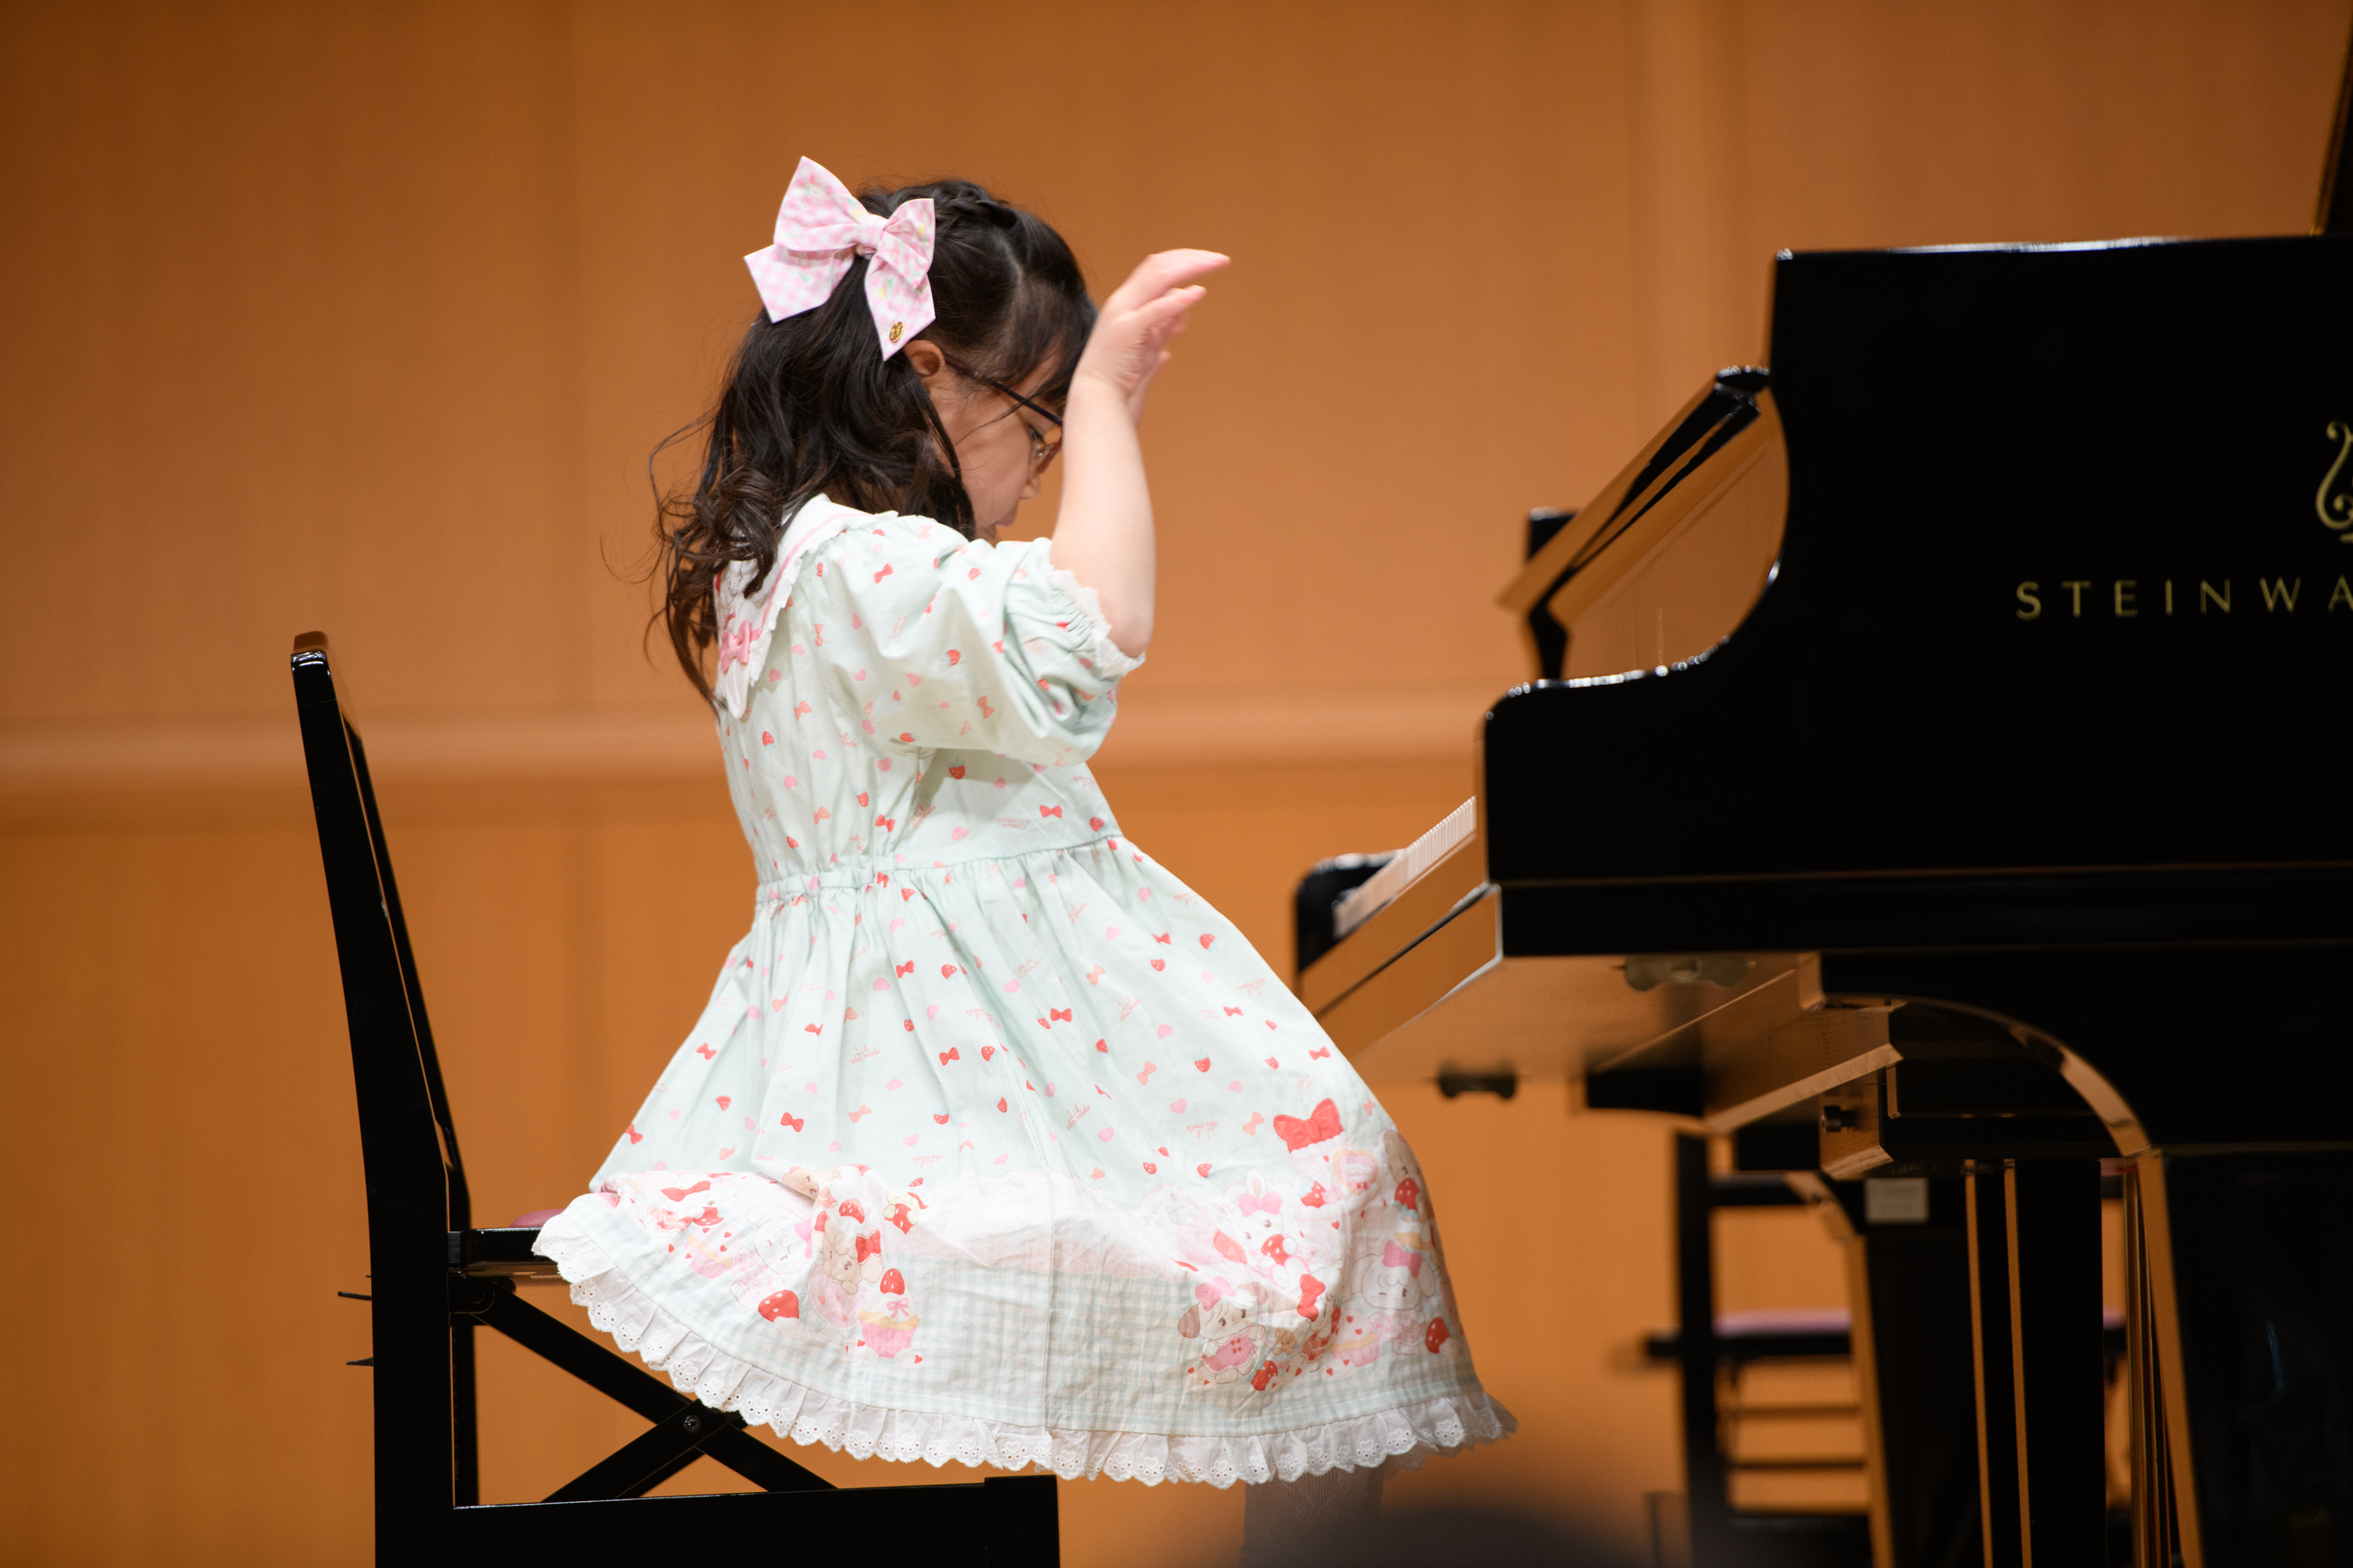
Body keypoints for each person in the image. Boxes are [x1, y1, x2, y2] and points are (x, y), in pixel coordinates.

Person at [533, 157, 1512, 1560]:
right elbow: (1093, 626)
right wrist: (1111, 398)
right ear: (927, 376)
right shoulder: (856, 571)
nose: (1044, 464)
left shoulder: (806, 561)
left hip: (945, 1062)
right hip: (943, 1094)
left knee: (1347, 1190)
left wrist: (1086, 411)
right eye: (1038, 422)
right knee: (1343, 1191)